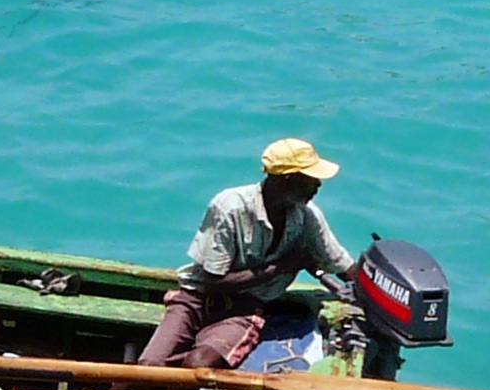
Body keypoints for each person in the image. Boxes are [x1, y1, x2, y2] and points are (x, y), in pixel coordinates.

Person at [138, 140, 359, 368]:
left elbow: (343, 265)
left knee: (197, 364)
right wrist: (281, 267)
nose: (318, 185)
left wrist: (372, 292)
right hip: (196, 299)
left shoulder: (308, 217)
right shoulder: (230, 207)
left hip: (242, 310)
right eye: (311, 178)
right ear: (288, 180)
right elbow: (214, 281)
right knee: (149, 364)